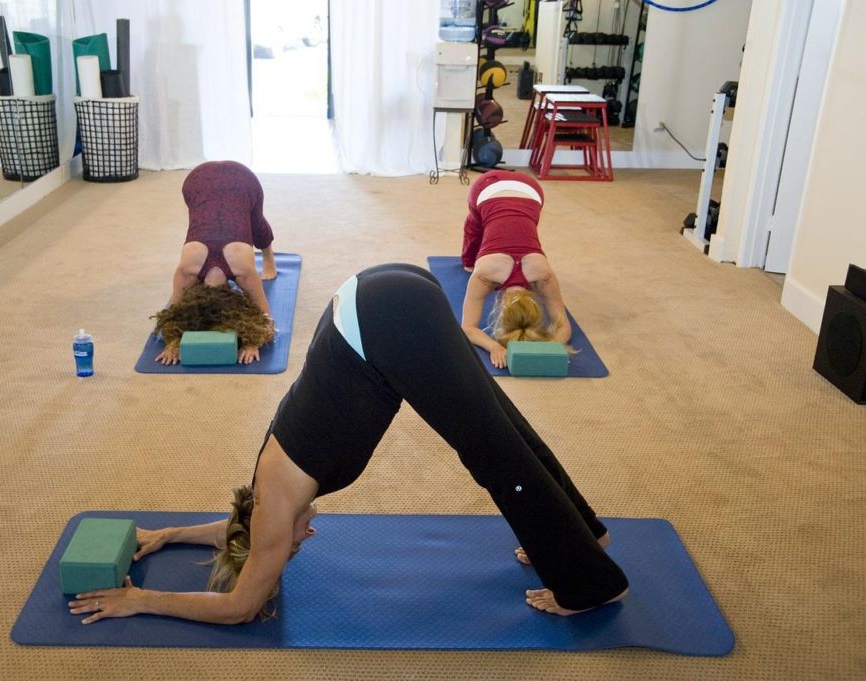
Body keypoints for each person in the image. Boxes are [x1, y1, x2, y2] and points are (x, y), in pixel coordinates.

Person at [69, 264, 628, 625]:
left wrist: (140, 600)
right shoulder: (268, 495)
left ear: (267, 536)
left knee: (494, 456)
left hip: (387, 319)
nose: (302, 539)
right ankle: (586, 532)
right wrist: (166, 536)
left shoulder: (276, 507)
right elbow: (238, 528)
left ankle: (587, 584)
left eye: (289, 549)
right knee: (500, 425)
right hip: (378, 297)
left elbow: (239, 607)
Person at [154, 160, 277, 366]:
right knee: (207, 214)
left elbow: (267, 320)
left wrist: (253, 340)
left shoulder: (242, 269)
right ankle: (268, 257)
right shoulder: (188, 268)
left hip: (239, 181)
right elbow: (173, 314)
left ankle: (269, 258)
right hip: (197, 182)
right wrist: (174, 342)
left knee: (255, 225)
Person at [460, 169, 572, 369]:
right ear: (500, 308)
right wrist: (495, 346)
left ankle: (467, 260)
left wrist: (495, 348)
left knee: (484, 225)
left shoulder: (542, 274)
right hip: (500, 188)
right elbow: (467, 329)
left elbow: (468, 328)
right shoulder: (486, 274)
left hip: (530, 190)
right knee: (476, 225)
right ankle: (467, 259)